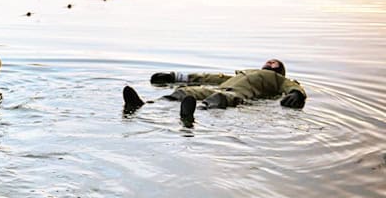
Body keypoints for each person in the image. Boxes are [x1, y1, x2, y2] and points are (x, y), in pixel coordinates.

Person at [122, 58, 307, 121]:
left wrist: (296, 93)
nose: (270, 62)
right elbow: (210, 78)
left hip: (236, 95)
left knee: (220, 97)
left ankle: (193, 112)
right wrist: (175, 76)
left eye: (275, 62)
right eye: (269, 60)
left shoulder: (277, 79)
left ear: (280, 70)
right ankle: (145, 104)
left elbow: (291, 86)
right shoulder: (243, 73)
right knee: (186, 92)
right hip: (221, 87)